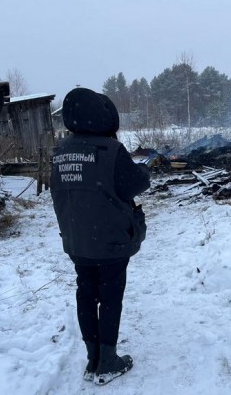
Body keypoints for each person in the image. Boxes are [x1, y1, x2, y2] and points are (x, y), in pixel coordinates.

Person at [50, 87, 150, 385]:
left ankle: (92, 357)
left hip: (77, 239)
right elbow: (133, 186)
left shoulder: (60, 151)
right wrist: (143, 172)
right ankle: (107, 360)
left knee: (85, 292)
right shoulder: (111, 151)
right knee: (109, 297)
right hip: (110, 241)